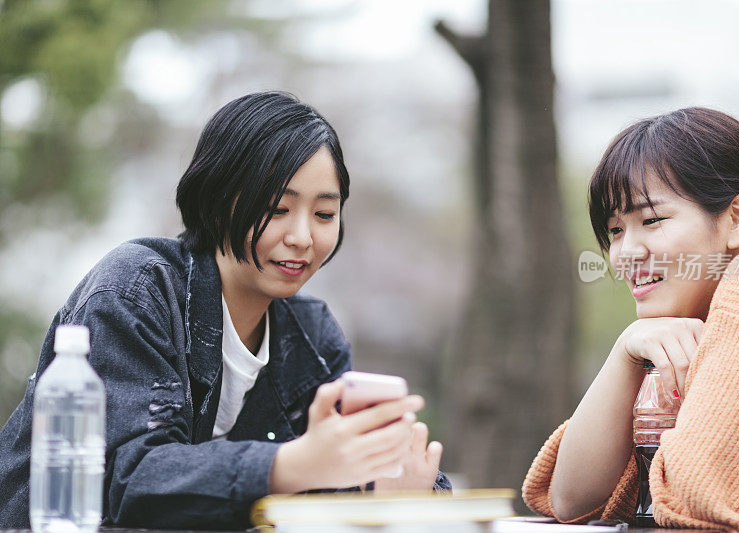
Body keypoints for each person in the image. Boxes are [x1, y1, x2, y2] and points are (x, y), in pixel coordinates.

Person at [0, 91, 450, 529]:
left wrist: (385, 490)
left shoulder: (312, 335)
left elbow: (326, 491)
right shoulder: (139, 289)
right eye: (277, 208)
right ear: (217, 204)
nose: (302, 237)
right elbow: (131, 478)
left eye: (325, 214)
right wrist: (291, 464)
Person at [522, 107, 739, 531]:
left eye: (651, 220)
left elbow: (704, 505)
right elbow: (572, 502)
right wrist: (625, 352)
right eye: (615, 230)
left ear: (737, 219)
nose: (625, 253)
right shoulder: (684, 333)